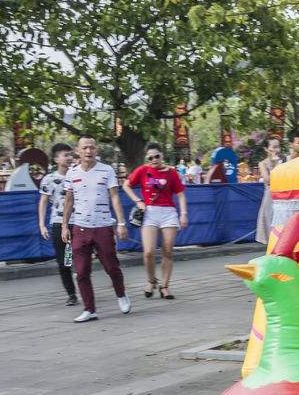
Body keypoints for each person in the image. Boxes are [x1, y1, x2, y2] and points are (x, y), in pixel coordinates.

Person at [60, 136, 131, 322]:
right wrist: (65, 226)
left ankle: (121, 295)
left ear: (96, 150)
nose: (88, 151)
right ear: (78, 151)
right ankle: (89, 309)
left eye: (91, 147)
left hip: (103, 227)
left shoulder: (106, 170)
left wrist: (121, 223)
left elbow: (114, 197)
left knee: (112, 267)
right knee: (81, 271)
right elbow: (68, 200)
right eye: (84, 148)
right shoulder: (72, 173)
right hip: (80, 228)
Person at [123, 141, 188, 299]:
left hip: (168, 213)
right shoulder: (142, 170)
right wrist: (138, 201)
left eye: (156, 156)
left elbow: (180, 194)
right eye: (150, 158)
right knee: (148, 252)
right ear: (147, 158)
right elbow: (126, 185)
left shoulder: (172, 172)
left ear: (162, 155)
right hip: (149, 212)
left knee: (168, 250)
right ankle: (151, 281)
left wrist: (183, 214)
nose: (154, 160)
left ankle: (164, 286)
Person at [36, 143, 78, 306]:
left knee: (81, 257)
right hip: (59, 225)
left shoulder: (78, 174)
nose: (69, 158)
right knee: (65, 261)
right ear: (56, 159)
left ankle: (82, 281)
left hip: (79, 223)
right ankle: (71, 294)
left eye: (70, 154)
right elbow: (43, 202)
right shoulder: (49, 179)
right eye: (65, 155)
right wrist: (41, 224)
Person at [254, 136, 284, 245]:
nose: (277, 150)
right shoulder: (263, 163)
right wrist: (276, 165)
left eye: (278, 147)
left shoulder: (283, 162)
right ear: (266, 149)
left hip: (282, 197)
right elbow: (268, 180)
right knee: (270, 225)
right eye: (274, 147)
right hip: (270, 198)